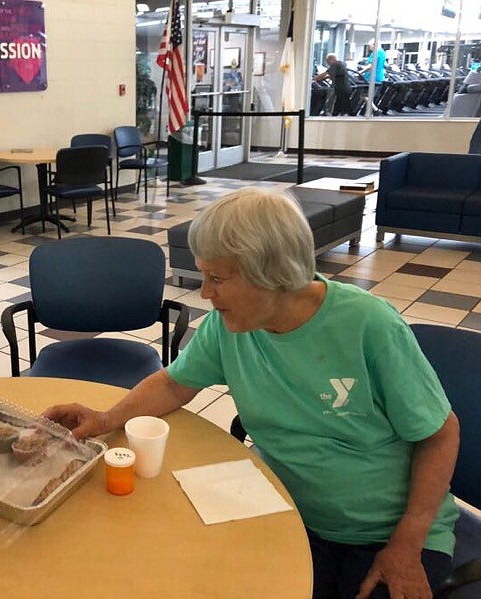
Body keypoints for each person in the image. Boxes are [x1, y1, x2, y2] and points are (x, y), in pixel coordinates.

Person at [46, 188, 459, 599]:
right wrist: (106, 419)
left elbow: (440, 434)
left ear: (273, 272)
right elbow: (174, 383)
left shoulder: (369, 326)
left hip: (389, 531)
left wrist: (407, 543)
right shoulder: (230, 326)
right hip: (290, 512)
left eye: (218, 278)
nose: (205, 293)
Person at [360, 41, 386, 114]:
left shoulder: (375, 52)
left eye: (370, 46)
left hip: (371, 77)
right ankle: (370, 111)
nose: (369, 47)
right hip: (379, 77)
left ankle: (375, 110)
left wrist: (360, 72)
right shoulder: (382, 52)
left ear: (374, 44)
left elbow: (371, 65)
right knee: (371, 96)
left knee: (363, 95)